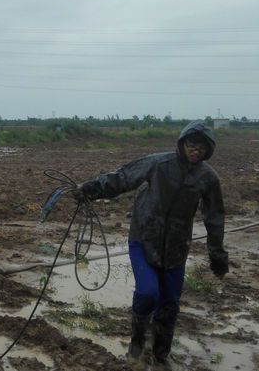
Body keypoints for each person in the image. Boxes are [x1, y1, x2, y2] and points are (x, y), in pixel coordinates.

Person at [74, 120, 229, 366]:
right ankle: (137, 339)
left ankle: (160, 354)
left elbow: (214, 218)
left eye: (201, 148)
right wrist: (92, 189)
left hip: (177, 249)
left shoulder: (208, 178)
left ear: (208, 150)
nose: (195, 151)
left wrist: (217, 254)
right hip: (144, 239)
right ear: (182, 143)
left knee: (169, 306)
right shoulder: (159, 163)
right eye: (191, 145)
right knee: (147, 293)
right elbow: (124, 177)